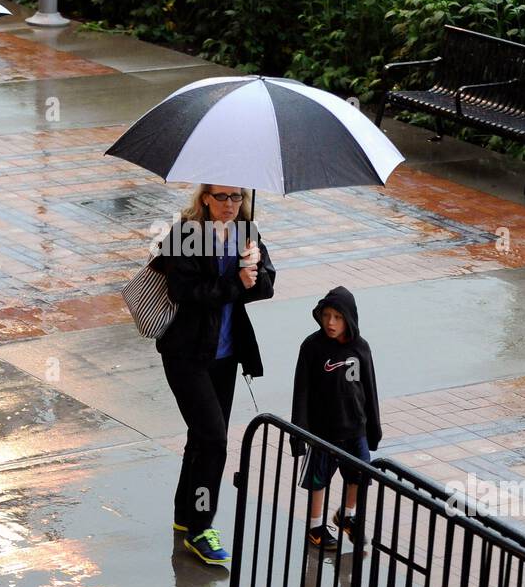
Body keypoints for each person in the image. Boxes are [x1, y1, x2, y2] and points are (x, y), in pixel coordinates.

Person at [151, 185, 275, 567]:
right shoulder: (187, 235)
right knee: (215, 439)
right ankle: (201, 528)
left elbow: (266, 287)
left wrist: (254, 270)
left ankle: (184, 514)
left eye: (236, 198)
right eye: (221, 197)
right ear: (205, 197)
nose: (229, 205)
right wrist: (237, 281)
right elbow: (187, 293)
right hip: (187, 354)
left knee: (201, 437)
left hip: (225, 357)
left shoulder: (247, 234)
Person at [290, 287, 382, 552]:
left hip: (355, 428)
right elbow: (302, 391)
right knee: (318, 480)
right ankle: (315, 527)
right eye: (326, 316)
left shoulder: (360, 347)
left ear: (349, 319)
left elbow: (370, 389)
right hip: (322, 431)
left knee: (360, 476)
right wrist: (300, 433)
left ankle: (347, 516)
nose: (330, 322)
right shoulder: (312, 346)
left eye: (337, 317)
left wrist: (373, 429)